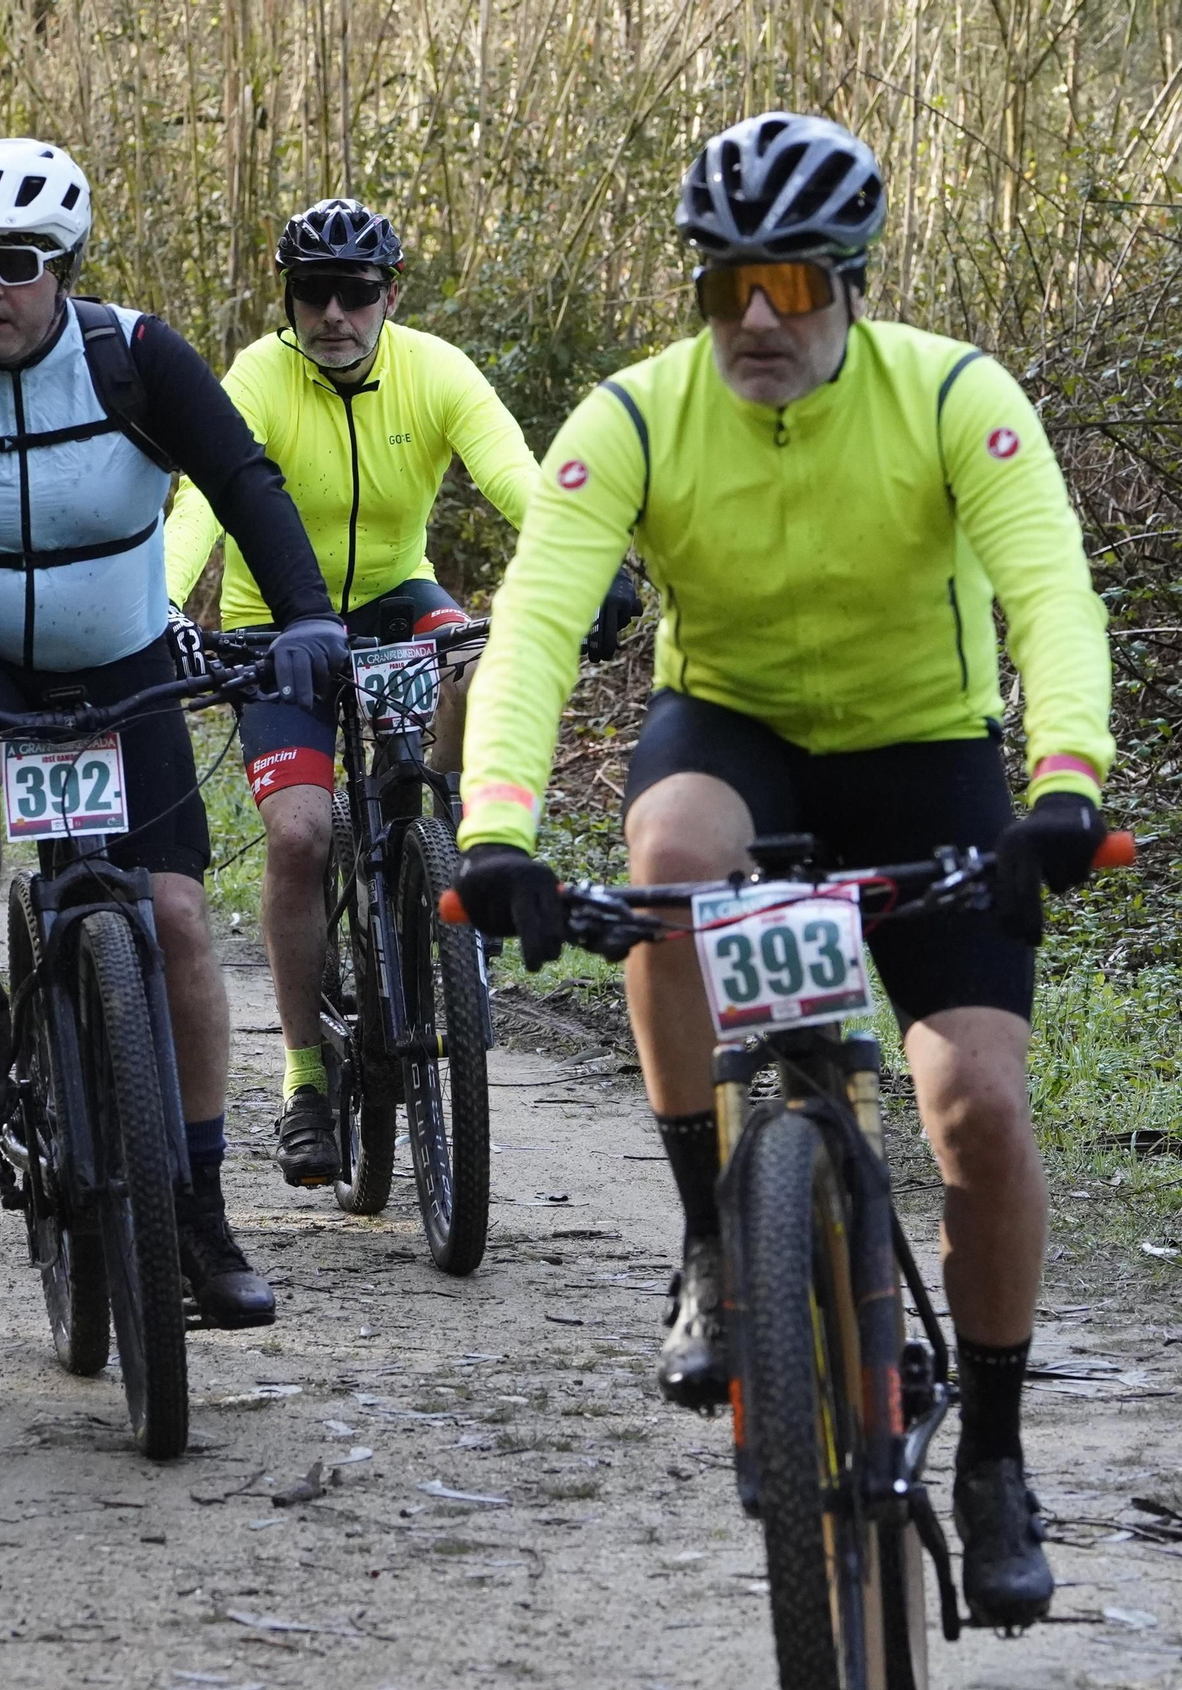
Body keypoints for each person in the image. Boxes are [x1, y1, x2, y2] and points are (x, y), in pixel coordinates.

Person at [452, 112, 1114, 1627]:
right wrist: (495, 830)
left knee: (978, 1107)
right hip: (735, 730)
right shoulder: (630, 414)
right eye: (727, 285)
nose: (758, 319)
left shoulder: (955, 393)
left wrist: (1067, 780)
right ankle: (708, 1235)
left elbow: (1050, 593)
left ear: (854, 286)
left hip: (926, 749)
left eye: (796, 289)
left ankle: (998, 1456)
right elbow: (539, 622)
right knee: (671, 859)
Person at [0, 137, 348, 1329]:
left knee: (180, 920)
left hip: (119, 655)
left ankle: (195, 1210)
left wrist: (305, 618)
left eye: (15, 262)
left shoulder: (134, 359)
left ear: (66, 268)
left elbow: (244, 480)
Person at [168, 196, 638, 1186]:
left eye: (357, 293)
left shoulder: (435, 371)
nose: (334, 313)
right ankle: (304, 1080)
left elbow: (520, 480)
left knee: (479, 657)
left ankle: (442, 838)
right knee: (298, 836)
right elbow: (200, 507)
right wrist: (164, 610)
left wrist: (592, 562)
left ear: (390, 296)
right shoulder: (257, 377)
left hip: (397, 599)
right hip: (273, 625)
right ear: (289, 298)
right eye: (313, 294)